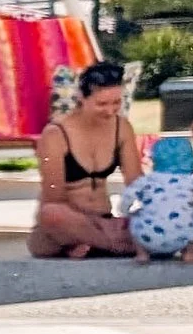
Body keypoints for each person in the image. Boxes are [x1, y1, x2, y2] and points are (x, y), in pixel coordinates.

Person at [29, 62, 141, 258]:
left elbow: (136, 182)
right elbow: (53, 197)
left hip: (106, 218)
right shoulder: (56, 134)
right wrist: (100, 226)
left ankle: (93, 244)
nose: (110, 110)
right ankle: (118, 246)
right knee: (52, 214)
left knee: (159, 218)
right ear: (81, 97)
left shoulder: (121, 127)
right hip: (70, 220)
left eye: (117, 102)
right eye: (102, 104)